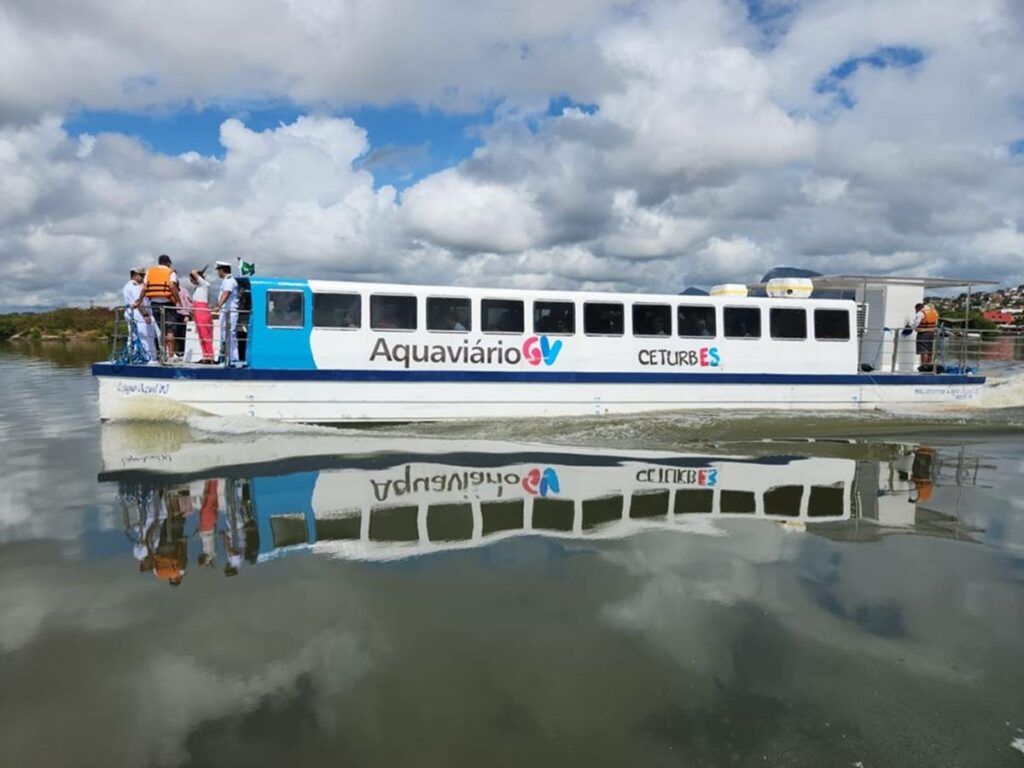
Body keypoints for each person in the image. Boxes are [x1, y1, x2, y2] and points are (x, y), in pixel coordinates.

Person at [137, 254, 182, 360]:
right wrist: (178, 301)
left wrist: (139, 301)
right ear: (168, 263)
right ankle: (171, 356)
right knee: (170, 330)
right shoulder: (171, 272)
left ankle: (162, 354)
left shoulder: (149, 272)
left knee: (162, 329)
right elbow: (172, 286)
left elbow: (144, 288)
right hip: (168, 304)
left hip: (154, 304)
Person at [121, 267, 156, 361]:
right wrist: (145, 315)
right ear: (135, 275)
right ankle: (148, 357)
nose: (144, 277)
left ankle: (132, 356)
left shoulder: (128, 285)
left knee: (133, 336)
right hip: (138, 314)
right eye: (142, 275)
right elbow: (139, 302)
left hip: (132, 313)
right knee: (146, 336)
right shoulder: (134, 286)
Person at [215, 261, 240, 365]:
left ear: (222, 270)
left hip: (230, 310)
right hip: (226, 310)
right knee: (225, 334)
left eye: (218, 270)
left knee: (230, 334)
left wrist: (218, 306)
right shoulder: (226, 280)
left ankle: (233, 359)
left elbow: (226, 293)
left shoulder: (229, 281)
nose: (217, 273)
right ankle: (227, 357)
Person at [189, 267, 215, 363]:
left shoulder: (204, 284)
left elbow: (193, 271)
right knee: (201, 335)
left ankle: (210, 356)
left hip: (202, 310)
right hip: (197, 310)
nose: (191, 281)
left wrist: (198, 272)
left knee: (205, 334)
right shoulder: (198, 288)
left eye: (192, 279)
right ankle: (205, 355)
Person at [907, 302, 939, 366]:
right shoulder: (934, 312)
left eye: (916, 309)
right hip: (931, 333)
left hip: (923, 333)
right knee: (929, 351)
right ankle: (929, 366)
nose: (916, 311)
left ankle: (924, 367)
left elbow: (915, 324)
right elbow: (935, 323)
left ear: (918, 308)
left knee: (924, 351)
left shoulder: (921, 313)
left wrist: (910, 325)